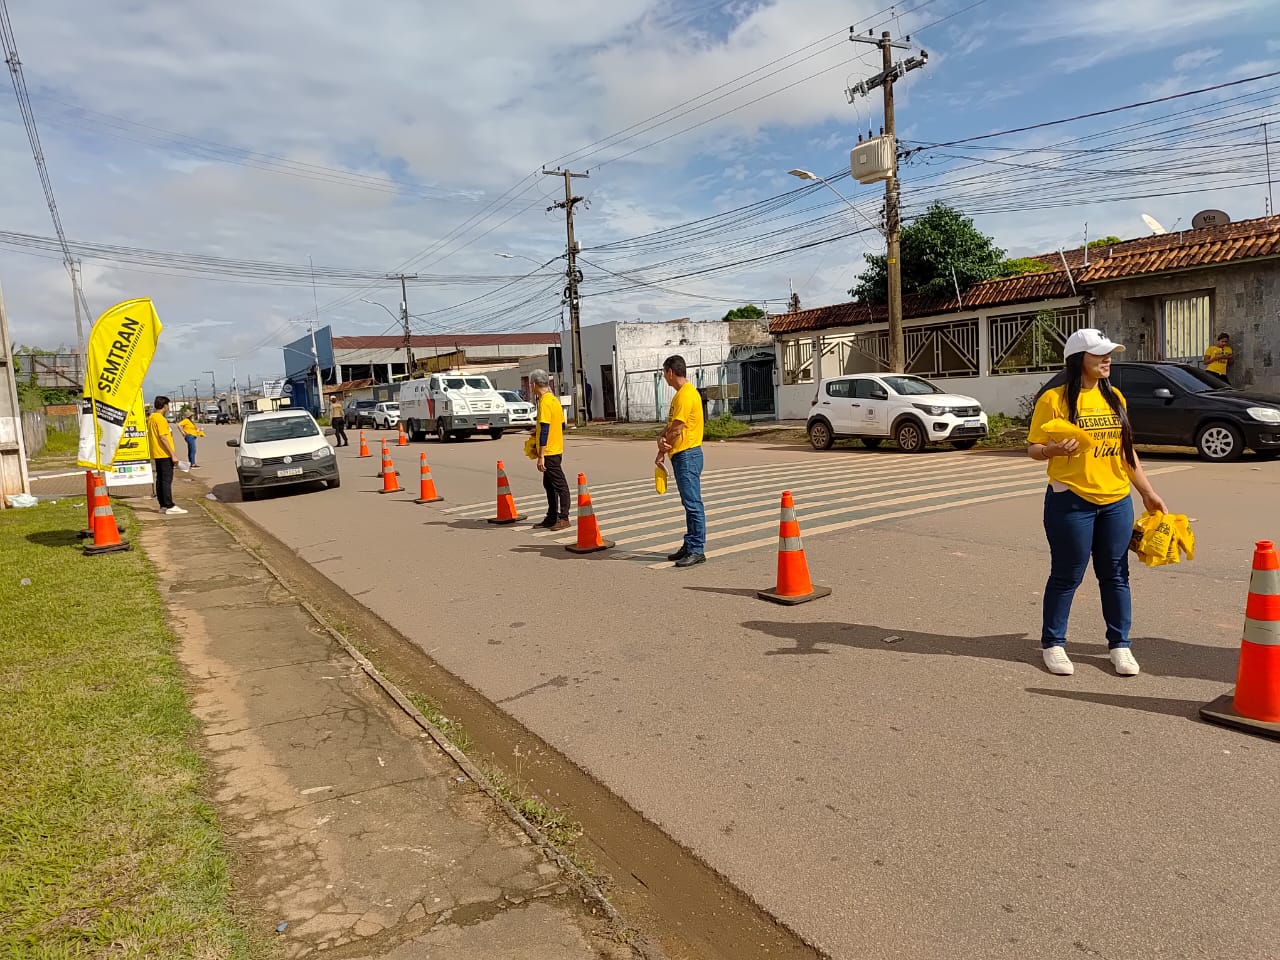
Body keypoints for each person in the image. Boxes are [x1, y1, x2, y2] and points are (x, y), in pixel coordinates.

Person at [1027, 329, 1167, 677]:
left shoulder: (1115, 396)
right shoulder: (1054, 400)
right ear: (1078, 360)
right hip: (1071, 499)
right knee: (1067, 574)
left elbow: (1126, 450)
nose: (1107, 360)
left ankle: (1120, 646)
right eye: (1099, 355)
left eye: (1109, 354)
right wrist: (1053, 450)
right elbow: (1033, 448)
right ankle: (1054, 644)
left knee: (1116, 575)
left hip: (1116, 500)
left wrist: (1147, 492)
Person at [656, 355, 705, 568]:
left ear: (669, 372)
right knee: (689, 503)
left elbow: (677, 428)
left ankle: (697, 549)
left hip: (687, 454)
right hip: (682, 454)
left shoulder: (686, 395)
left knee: (693, 504)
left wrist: (663, 446)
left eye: (663, 374)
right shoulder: (681, 395)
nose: (664, 378)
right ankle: (690, 543)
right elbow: (670, 426)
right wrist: (660, 440)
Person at [530, 369, 569, 532]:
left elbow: (546, 429)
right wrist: (536, 431)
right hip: (556, 447)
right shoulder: (554, 400)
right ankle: (551, 516)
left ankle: (564, 517)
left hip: (550, 452)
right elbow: (561, 425)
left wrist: (541, 456)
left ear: (533, 385)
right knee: (549, 484)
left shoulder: (545, 402)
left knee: (560, 485)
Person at [147, 396, 187, 516]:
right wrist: (173, 455)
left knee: (160, 479)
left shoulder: (151, 418)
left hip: (157, 453)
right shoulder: (160, 419)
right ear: (164, 405)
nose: (168, 408)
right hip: (164, 453)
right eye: (168, 405)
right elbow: (163, 437)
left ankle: (163, 505)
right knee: (166, 480)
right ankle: (169, 505)